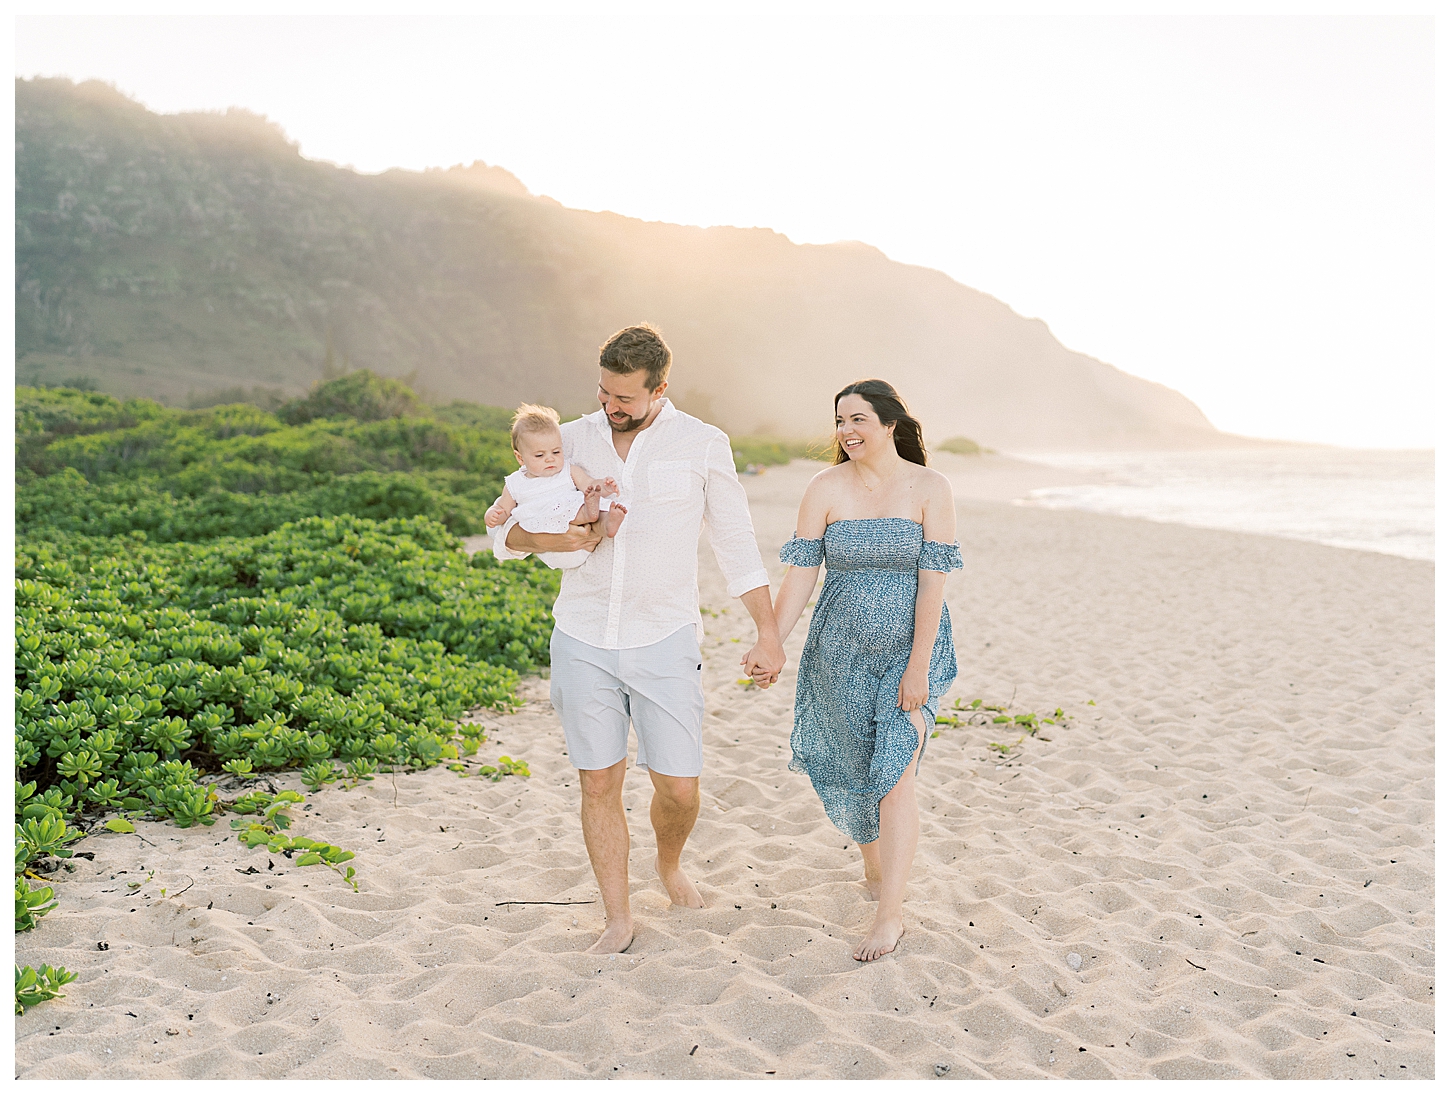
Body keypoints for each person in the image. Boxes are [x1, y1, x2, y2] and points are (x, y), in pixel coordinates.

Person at [494, 324, 786, 954]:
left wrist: (767, 632)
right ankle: (618, 916)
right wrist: (551, 540)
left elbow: (734, 541)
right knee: (598, 780)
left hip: (666, 636)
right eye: (604, 393)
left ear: (659, 388)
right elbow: (506, 533)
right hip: (582, 636)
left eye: (625, 397)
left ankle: (669, 863)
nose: (611, 407)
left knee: (678, 787)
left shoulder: (703, 443)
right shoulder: (566, 440)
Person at [771, 379, 961, 962]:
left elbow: (934, 581)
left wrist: (918, 664)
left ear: (889, 424)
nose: (846, 431)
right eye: (839, 421)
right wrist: (769, 641)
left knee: (896, 773)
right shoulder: (824, 488)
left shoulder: (931, 487)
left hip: (908, 653)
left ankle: (890, 915)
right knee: (857, 768)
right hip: (838, 653)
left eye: (858, 420)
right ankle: (876, 869)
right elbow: (802, 573)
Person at [485, 403, 627, 569]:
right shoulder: (515, 483)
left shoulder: (568, 470)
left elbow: (589, 485)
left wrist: (604, 486)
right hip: (552, 547)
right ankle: (589, 514)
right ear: (520, 458)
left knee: (587, 507)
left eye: (556, 452)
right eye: (540, 455)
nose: (550, 459)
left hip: (585, 541)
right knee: (572, 512)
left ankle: (607, 524)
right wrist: (493, 515)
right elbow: (503, 508)